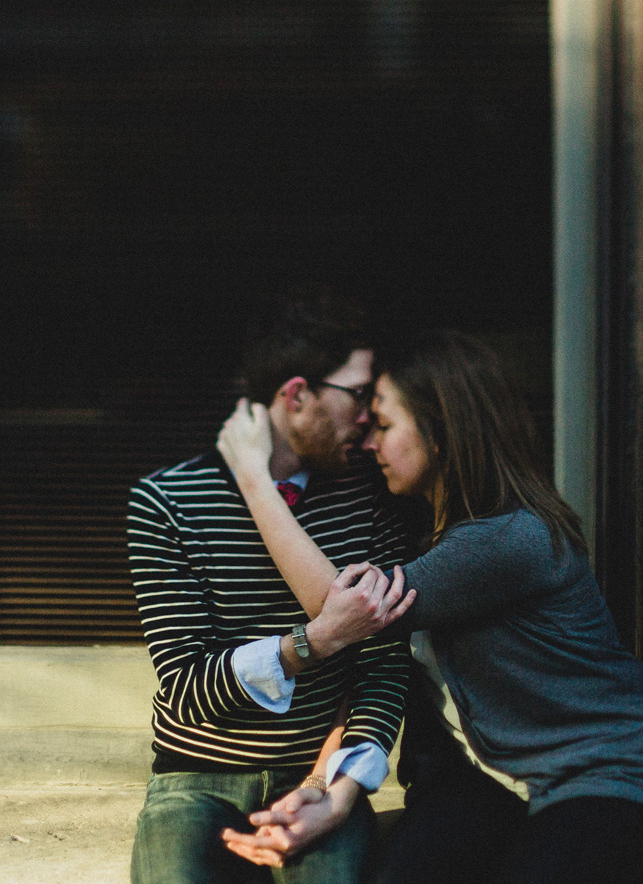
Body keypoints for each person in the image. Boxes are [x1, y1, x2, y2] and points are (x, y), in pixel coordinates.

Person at [217, 328, 643, 884]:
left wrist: (252, 477)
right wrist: (330, 789)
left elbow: (340, 610)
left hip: (603, 779)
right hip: (488, 781)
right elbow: (380, 671)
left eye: (385, 427)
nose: (370, 445)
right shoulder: (433, 535)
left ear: (440, 435)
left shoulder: (508, 540)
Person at [125, 292, 418, 884]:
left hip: (312, 775)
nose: (369, 416)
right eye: (358, 394)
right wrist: (310, 641)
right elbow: (184, 688)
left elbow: (385, 667)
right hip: (193, 777)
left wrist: (331, 786)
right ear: (297, 395)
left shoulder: (369, 492)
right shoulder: (168, 501)